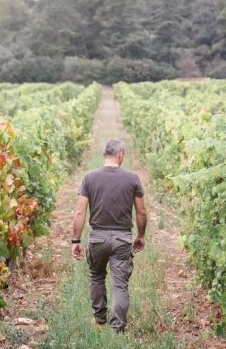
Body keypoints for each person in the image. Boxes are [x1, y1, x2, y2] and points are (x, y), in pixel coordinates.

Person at [70, 139, 147, 332]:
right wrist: (141, 236)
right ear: (120, 154)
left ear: (105, 154)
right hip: (122, 238)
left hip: (97, 237)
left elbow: (80, 212)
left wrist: (76, 240)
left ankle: (100, 321)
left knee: (96, 276)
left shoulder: (89, 178)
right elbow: (141, 212)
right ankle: (118, 328)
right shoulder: (132, 178)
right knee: (120, 284)